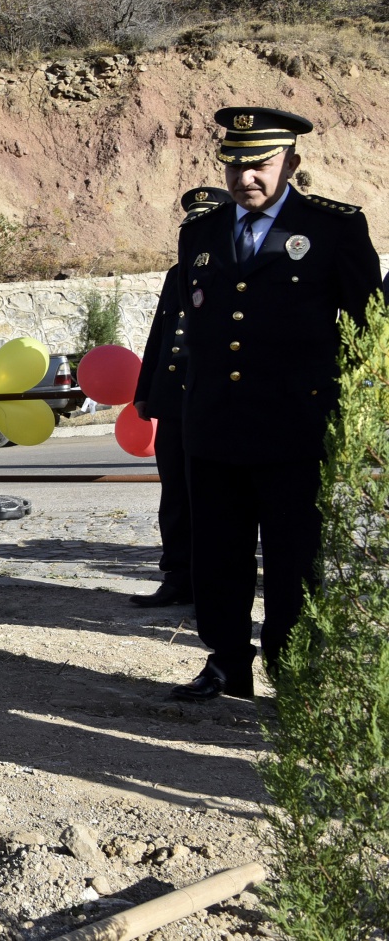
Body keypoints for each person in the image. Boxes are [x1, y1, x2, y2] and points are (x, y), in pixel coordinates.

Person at [170, 108, 379, 701]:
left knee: (292, 559)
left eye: (259, 165)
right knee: (217, 554)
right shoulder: (201, 231)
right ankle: (226, 661)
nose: (245, 178)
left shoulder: (334, 228)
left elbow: (371, 329)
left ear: (291, 162)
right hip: (213, 425)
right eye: (234, 165)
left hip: (294, 427)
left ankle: (293, 671)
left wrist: (351, 411)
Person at [130, 187, 228, 610]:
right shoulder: (176, 275)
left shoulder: (235, 270)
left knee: (215, 497)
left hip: (216, 401)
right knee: (174, 495)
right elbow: (161, 336)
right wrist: (144, 392)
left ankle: (215, 581)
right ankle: (177, 577)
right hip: (174, 403)